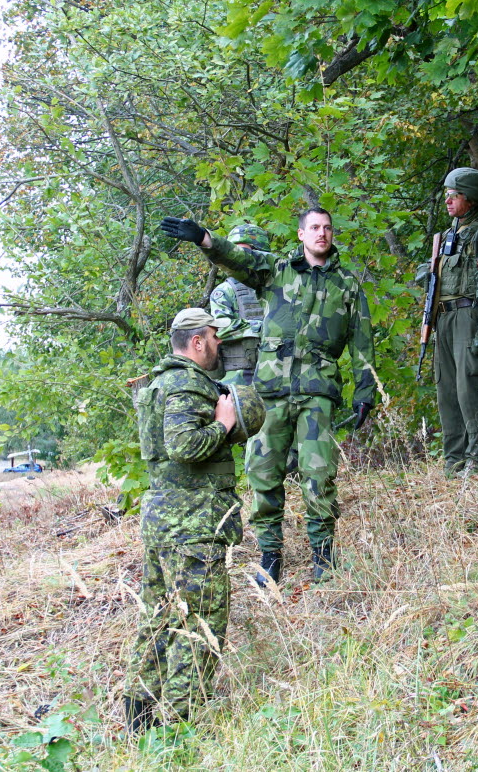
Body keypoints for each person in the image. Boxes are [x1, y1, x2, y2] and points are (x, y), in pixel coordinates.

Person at [160, 209, 376, 584]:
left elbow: (362, 340)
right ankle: (270, 556)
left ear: (332, 233)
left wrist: (365, 391)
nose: (321, 234)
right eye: (314, 228)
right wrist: (204, 239)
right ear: (301, 234)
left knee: (318, 474)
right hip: (270, 392)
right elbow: (237, 257)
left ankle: (323, 556)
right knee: (263, 474)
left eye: (327, 227)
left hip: (317, 390)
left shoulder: (347, 284)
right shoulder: (277, 271)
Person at [124, 307, 240, 732]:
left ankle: (138, 722)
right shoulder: (188, 383)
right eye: (214, 335)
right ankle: (178, 729)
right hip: (193, 523)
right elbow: (184, 446)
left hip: (162, 521)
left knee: (157, 618)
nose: (218, 343)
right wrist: (224, 425)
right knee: (200, 626)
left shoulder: (156, 383)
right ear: (197, 342)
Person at [431, 167, 478, 476]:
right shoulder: (447, 236)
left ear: (470, 198)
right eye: (446, 195)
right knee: (446, 389)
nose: (448, 201)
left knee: (467, 387)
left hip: (468, 314)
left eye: (453, 195)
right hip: (444, 317)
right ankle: (453, 460)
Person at [209, 223, 271, 386]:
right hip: (240, 376)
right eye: (232, 250)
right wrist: (264, 327)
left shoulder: (279, 286)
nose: (236, 256)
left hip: (277, 374)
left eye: (244, 251)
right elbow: (222, 329)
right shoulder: (225, 291)